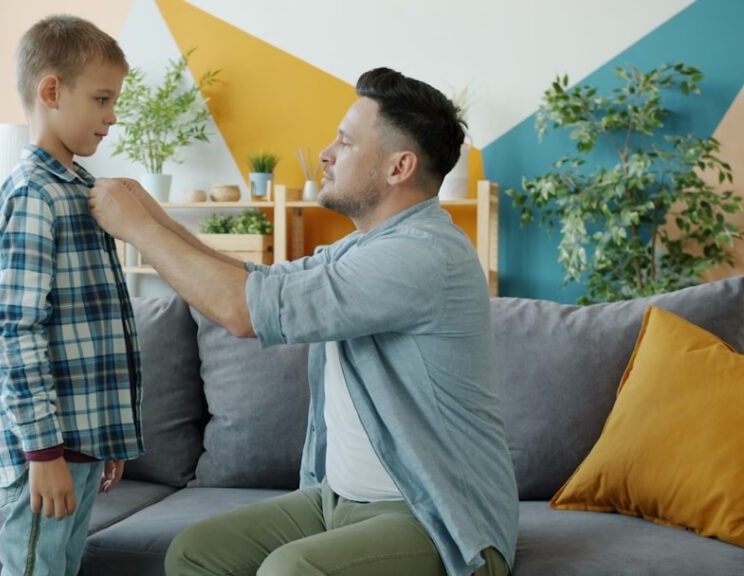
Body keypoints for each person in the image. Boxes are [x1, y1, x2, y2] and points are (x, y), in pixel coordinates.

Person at [88, 67, 519, 576]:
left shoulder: (420, 255)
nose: (326, 154)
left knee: (290, 571)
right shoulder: (361, 248)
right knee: (195, 553)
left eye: (345, 143)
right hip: (338, 501)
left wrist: (135, 228)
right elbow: (256, 280)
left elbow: (246, 311)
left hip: (436, 516)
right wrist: (155, 215)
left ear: (399, 166)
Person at [0, 15, 143, 576]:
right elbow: (16, 331)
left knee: (62, 567)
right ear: (51, 91)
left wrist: (105, 437)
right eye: (101, 98)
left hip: (80, 443)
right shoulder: (32, 196)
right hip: (44, 451)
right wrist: (43, 453)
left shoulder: (80, 192)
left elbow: (94, 324)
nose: (112, 116)